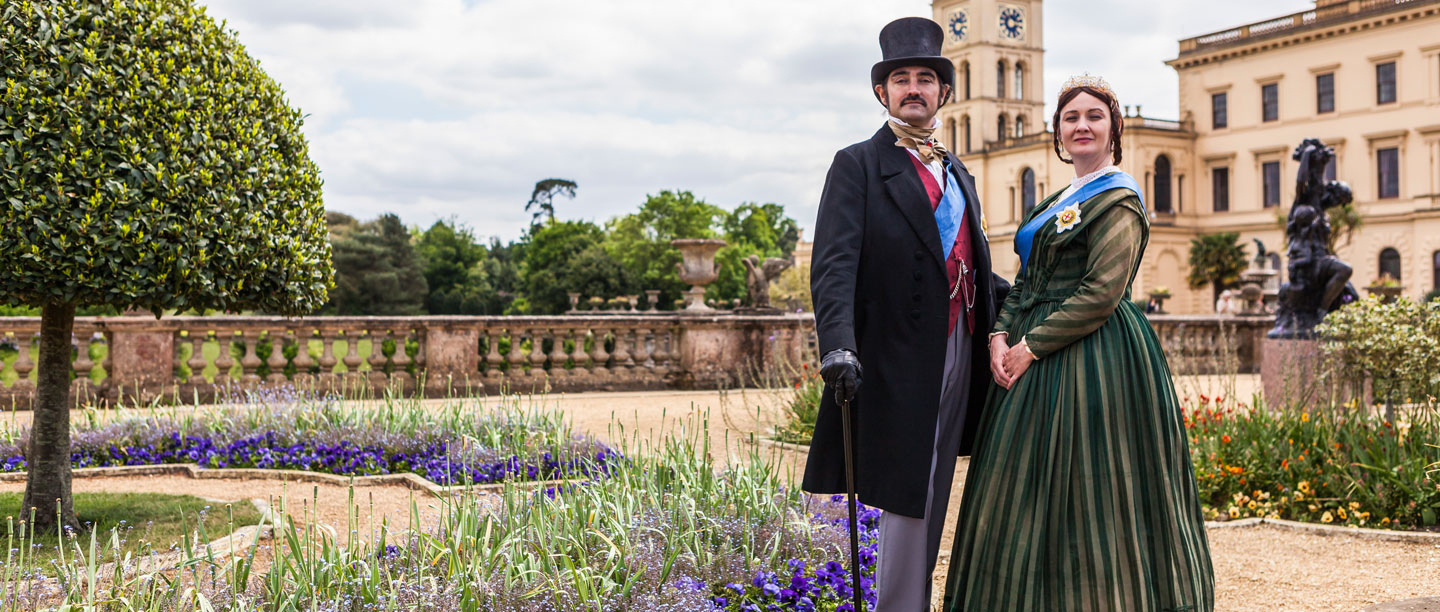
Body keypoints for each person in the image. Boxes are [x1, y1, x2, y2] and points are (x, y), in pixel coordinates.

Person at [943, 75, 1215, 611]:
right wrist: (999, 332)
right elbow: (1026, 278)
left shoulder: (1119, 197)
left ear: (1114, 127)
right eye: (1071, 118)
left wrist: (1029, 346)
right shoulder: (1057, 198)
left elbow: (1101, 292)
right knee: (1020, 487)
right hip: (1029, 353)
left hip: (1095, 357)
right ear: (1059, 134)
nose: (1082, 125)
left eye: (1094, 115)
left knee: (1094, 487)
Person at [803, 17, 1009, 611]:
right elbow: (833, 265)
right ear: (882, 92)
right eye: (901, 79)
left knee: (936, 487)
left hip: (959, 347)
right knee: (906, 494)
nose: (913, 88)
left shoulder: (957, 170)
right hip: (893, 353)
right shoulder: (858, 164)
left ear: (944, 91)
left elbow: (973, 260)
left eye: (926, 78)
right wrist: (836, 344)